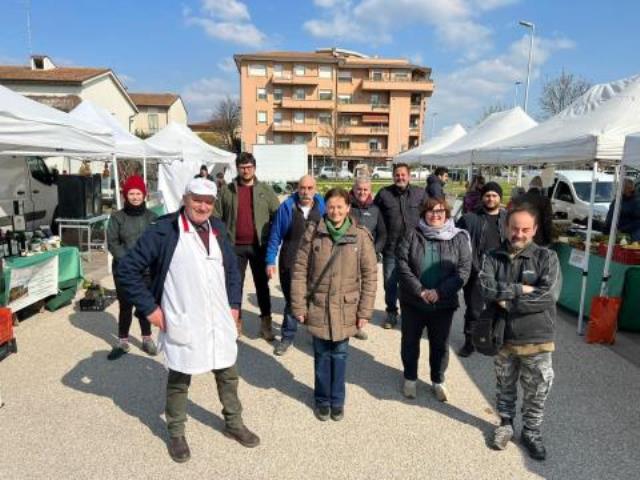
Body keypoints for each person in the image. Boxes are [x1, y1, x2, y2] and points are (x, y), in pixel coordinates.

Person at [117, 177, 260, 463]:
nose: (202, 206)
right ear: (185, 199)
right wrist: (150, 310)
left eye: (208, 202)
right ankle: (176, 432)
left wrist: (234, 306)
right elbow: (126, 270)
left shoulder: (217, 228)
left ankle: (233, 423)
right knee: (180, 378)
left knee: (228, 374)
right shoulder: (164, 231)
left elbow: (233, 271)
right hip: (184, 317)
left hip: (219, 318)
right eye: (197, 200)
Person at [478, 203, 561, 461]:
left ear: (534, 230)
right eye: (515, 228)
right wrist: (522, 289)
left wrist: (508, 300)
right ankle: (505, 424)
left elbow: (548, 296)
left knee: (537, 390)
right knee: (505, 386)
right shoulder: (492, 257)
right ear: (506, 227)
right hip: (503, 336)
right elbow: (486, 289)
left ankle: (532, 432)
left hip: (537, 339)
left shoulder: (547, 258)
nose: (519, 234)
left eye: (525, 229)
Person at [291, 188, 377, 422]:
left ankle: (337, 400)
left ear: (348, 208)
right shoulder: (313, 233)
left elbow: (370, 276)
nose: (335, 211)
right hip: (319, 305)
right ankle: (322, 400)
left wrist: (365, 312)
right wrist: (298, 306)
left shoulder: (359, 236)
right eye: (331, 207)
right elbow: (299, 271)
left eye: (340, 206)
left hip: (346, 308)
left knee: (339, 355)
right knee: (320, 355)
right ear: (325, 208)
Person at [396, 198, 471, 401]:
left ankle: (438, 380)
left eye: (439, 211)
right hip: (413, 301)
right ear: (423, 213)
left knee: (440, 344)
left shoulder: (459, 238)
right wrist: (420, 291)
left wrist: (439, 292)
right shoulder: (411, 234)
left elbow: (463, 271)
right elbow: (402, 264)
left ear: (446, 213)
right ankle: (410, 378)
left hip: (443, 303)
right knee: (410, 342)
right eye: (430, 211)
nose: (435, 214)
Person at [215, 152, 280, 340]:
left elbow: (277, 215)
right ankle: (236, 324)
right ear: (237, 168)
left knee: (262, 286)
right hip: (235, 247)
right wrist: (222, 241)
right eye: (242, 167)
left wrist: (271, 241)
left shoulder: (265, 191)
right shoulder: (227, 191)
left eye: (249, 167)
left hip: (259, 247)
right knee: (235, 286)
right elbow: (217, 217)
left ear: (254, 168)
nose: (246, 170)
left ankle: (266, 325)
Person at [266, 175, 325, 356]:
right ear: (297, 189)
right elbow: (276, 234)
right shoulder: (287, 207)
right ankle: (287, 336)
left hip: (316, 262)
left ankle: (316, 336)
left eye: (309, 188)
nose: (305, 192)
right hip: (290, 261)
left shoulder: (323, 206)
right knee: (293, 300)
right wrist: (270, 260)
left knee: (316, 300)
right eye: (302, 188)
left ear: (315, 189)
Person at [106, 175, 158, 360]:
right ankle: (123, 340)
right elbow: (112, 242)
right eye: (131, 193)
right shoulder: (117, 217)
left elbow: (157, 242)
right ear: (125, 195)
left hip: (146, 270)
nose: (135, 197)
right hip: (124, 269)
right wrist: (129, 262)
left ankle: (147, 338)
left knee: (145, 304)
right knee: (125, 305)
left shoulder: (152, 217)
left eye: (138, 193)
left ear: (144, 195)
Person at [456, 181, 508, 357]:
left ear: (500, 198)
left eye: (494, 195)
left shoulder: (508, 219)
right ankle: (469, 342)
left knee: (500, 307)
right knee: (474, 310)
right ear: (482, 197)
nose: (491, 198)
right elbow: (460, 245)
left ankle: (495, 339)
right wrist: (471, 267)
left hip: (501, 273)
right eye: (487, 195)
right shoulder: (469, 219)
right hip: (476, 272)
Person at [374, 163, 426, 329]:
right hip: (392, 249)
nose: (400, 178)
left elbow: (429, 214)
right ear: (393, 176)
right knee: (390, 284)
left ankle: (413, 313)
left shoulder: (420, 193)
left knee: (415, 282)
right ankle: (391, 313)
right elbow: (375, 217)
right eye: (397, 175)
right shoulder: (384, 194)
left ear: (409, 176)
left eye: (403, 175)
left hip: (415, 249)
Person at [349, 176, 386, 340]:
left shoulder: (376, 210)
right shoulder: (346, 206)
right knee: (347, 291)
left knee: (364, 293)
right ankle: (345, 324)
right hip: (347, 257)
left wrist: (374, 252)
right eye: (359, 189)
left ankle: (356, 325)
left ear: (370, 191)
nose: (362, 192)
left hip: (367, 259)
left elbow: (383, 234)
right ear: (354, 189)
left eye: (365, 189)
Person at [512, 176, 553, 246]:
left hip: (520, 235)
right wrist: (549, 239)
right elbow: (547, 221)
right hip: (539, 238)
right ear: (540, 187)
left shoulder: (518, 199)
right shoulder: (544, 200)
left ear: (530, 186)